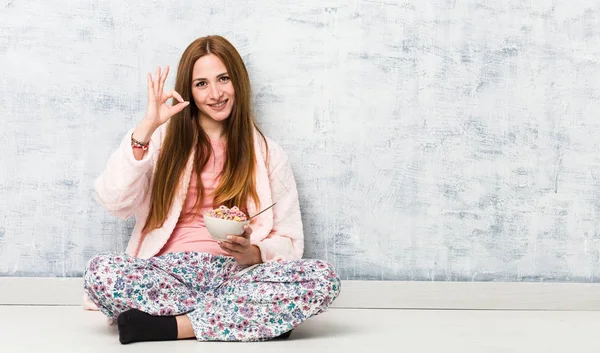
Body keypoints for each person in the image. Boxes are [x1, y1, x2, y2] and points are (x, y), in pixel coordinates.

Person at [83, 35, 341, 344]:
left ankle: (170, 327)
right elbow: (114, 200)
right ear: (188, 91)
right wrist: (146, 128)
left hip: (235, 275)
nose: (215, 93)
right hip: (168, 273)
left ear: (238, 82)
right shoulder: (162, 141)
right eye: (201, 84)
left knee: (323, 278)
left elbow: (290, 241)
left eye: (223, 79)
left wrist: (253, 252)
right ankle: (253, 320)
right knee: (101, 271)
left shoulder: (269, 154)